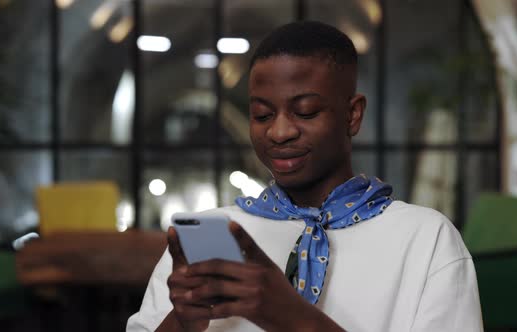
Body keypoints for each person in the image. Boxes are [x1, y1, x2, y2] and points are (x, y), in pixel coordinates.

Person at [127, 21, 483, 332]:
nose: (279, 132)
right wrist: (182, 322)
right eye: (263, 115)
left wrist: (289, 316)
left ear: (353, 115)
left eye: (306, 112)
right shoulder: (210, 234)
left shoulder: (425, 240)